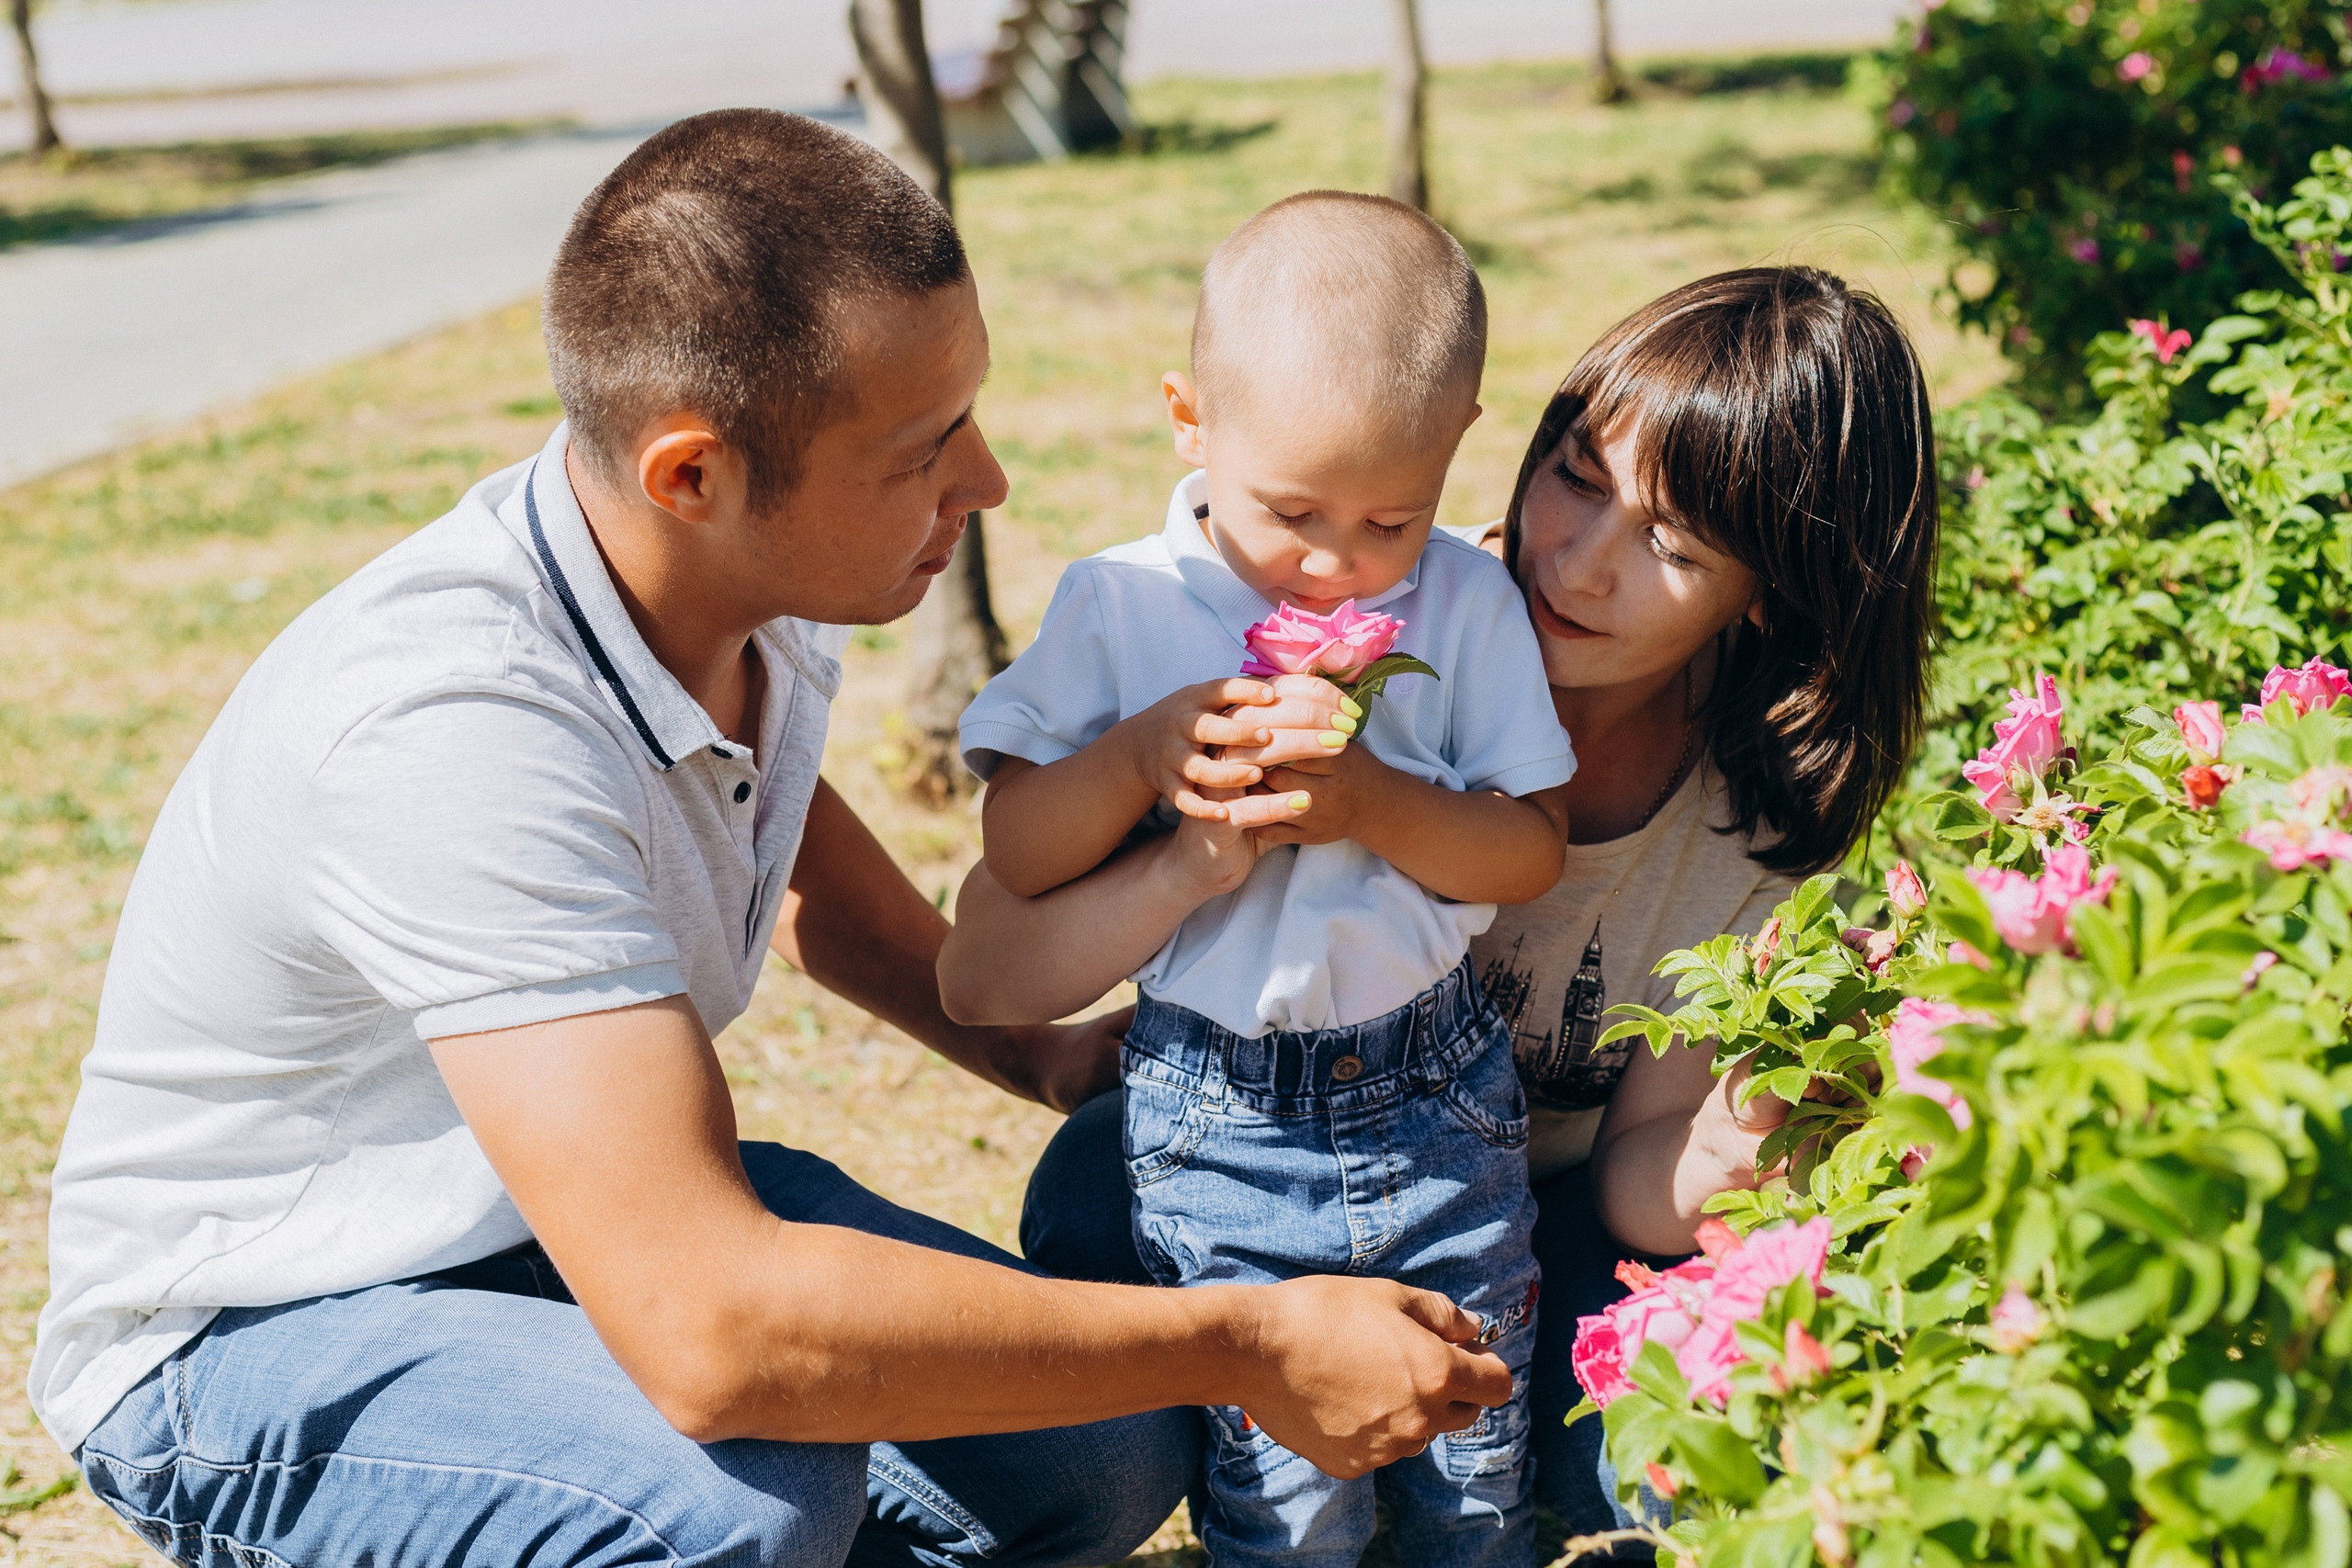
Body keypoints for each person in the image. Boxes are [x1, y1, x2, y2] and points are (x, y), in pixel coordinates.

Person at [30, 111, 1519, 1568]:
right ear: (693, 475)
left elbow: (776, 828)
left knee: (1105, 1454)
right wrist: (1250, 1342)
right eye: (924, 450)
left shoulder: (734, 581)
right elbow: (713, 1336)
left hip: (542, 1218)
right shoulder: (453, 733)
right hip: (262, 1328)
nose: (987, 482)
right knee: (735, 1508)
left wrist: (1037, 1054)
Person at [945, 265, 1939, 1551]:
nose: (1577, 562)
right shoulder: (1348, 613)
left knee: (1645, 1480)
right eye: (1577, 477)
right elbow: (985, 968)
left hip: (1529, 1222)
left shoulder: (1755, 819)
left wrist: (1754, 1135)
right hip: (1253, 1153)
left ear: (1767, 593)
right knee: (1096, 1201)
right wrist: (1183, 856)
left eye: (1673, 547)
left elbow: (1637, 1187)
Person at [954, 193, 1574, 1567]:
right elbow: (1018, 847)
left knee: (1474, 1462)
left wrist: (1375, 803)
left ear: (1457, 443)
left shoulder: (1465, 602)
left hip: (1436, 1092)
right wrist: (1142, 760)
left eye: (1392, 517)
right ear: (1191, 420)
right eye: (1291, 511)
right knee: (1280, 1491)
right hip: (1219, 1112)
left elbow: (1530, 846)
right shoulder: (1120, 603)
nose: (1337, 563)